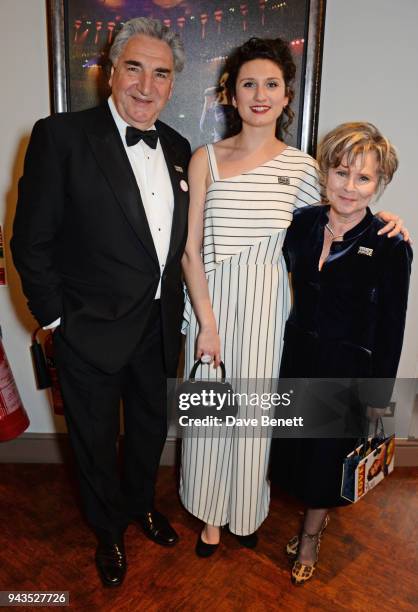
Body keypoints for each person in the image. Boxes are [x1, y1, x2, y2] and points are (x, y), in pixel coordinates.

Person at [179, 37, 406, 557]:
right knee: (210, 418)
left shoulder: (305, 168)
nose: (260, 94)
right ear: (230, 95)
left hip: (269, 313)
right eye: (248, 84)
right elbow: (191, 250)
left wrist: (389, 222)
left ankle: (243, 511)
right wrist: (207, 323)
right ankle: (209, 518)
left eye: (272, 84)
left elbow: (339, 220)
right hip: (211, 309)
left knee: (255, 422)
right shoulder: (204, 160)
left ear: (286, 97)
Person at [11, 18, 191, 587]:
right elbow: (30, 242)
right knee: (91, 442)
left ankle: (140, 505)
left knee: (147, 432)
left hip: (159, 326)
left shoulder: (182, 148)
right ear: (111, 73)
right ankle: (107, 530)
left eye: (160, 74)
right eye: (133, 68)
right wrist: (58, 321)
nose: (145, 85)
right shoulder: (61, 136)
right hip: (89, 328)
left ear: (171, 84)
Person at [272, 122, 412, 585]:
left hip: (347, 370)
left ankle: (311, 536)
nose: (350, 187)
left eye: (364, 178)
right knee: (295, 454)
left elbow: (392, 326)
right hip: (295, 361)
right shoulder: (303, 223)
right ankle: (317, 517)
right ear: (325, 173)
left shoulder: (391, 244)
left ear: (379, 183)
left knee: (325, 461)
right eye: (341, 172)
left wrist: (379, 394)